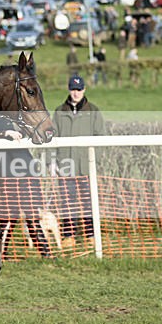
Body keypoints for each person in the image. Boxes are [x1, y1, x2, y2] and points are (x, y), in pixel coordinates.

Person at [0, 116, 51, 259]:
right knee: (8, 217)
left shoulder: (16, 114)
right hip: (5, 175)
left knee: (31, 215)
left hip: (25, 172)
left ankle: (45, 252)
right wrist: (4, 134)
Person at [51, 75, 106, 252]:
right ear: (69, 90)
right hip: (65, 167)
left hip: (86, 167)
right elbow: (53, 139)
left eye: (79, 89)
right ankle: (69, 235)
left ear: (84, 90)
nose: (76, 93)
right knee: (67, 202)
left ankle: (91, 235)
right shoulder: (59, 111)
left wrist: (94, 161)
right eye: (73, 90)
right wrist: (52, 162)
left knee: (89, 202)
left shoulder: (94, 111)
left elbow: (101, 138)